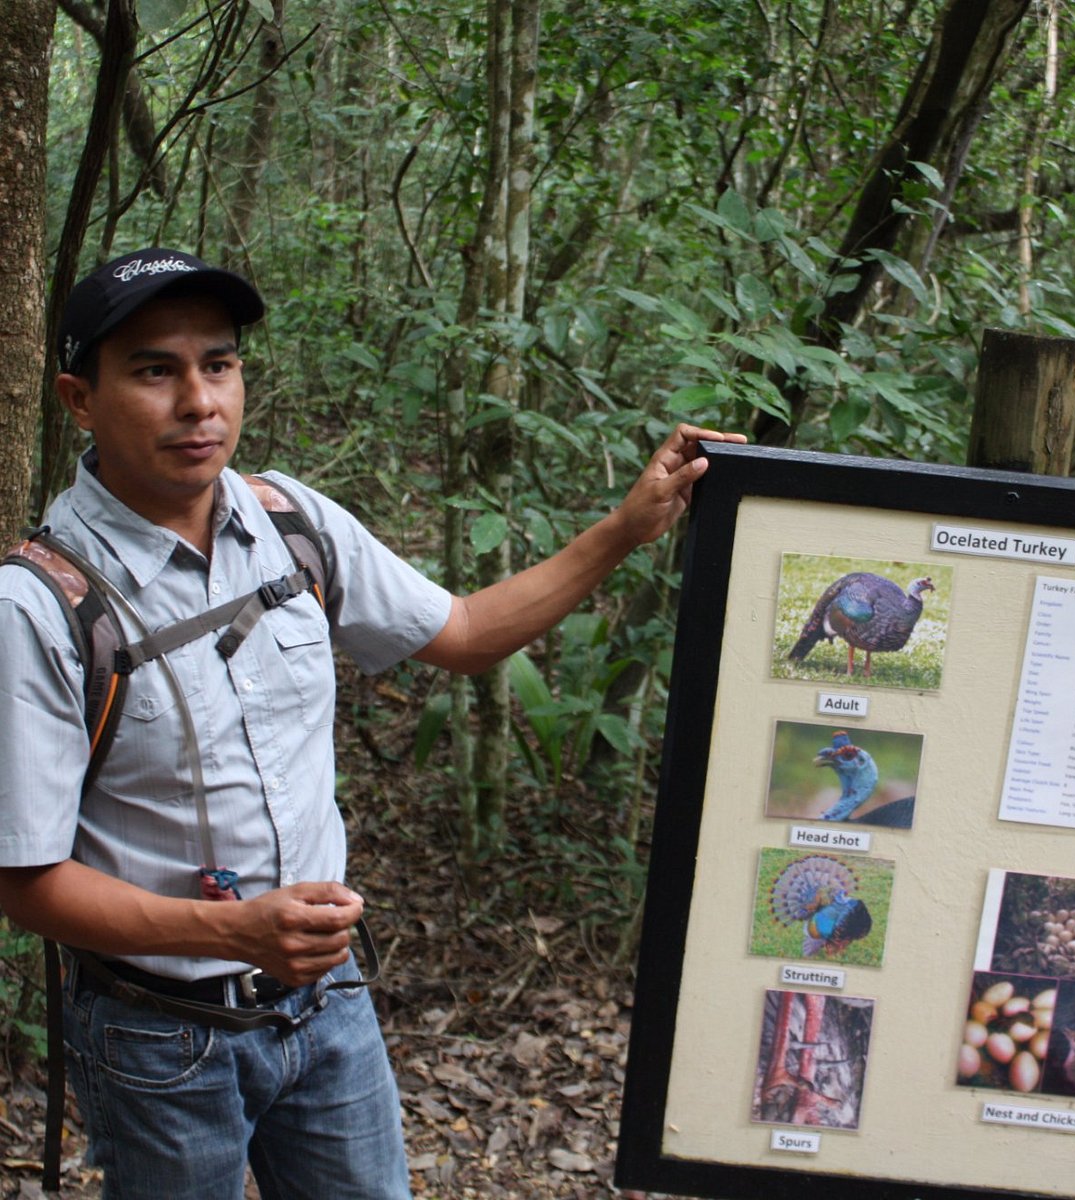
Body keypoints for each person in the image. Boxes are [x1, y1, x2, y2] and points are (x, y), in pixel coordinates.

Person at [0, 247, 745, 1200]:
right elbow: (25, 881)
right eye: (154, 370)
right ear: (78, 398)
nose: (199, 401)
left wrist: (625, 528)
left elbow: (466, 631)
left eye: (218, 364)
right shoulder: (41, 604)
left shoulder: (288, 521)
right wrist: (234, 936)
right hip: (159, 1034)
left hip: (326, 1009)